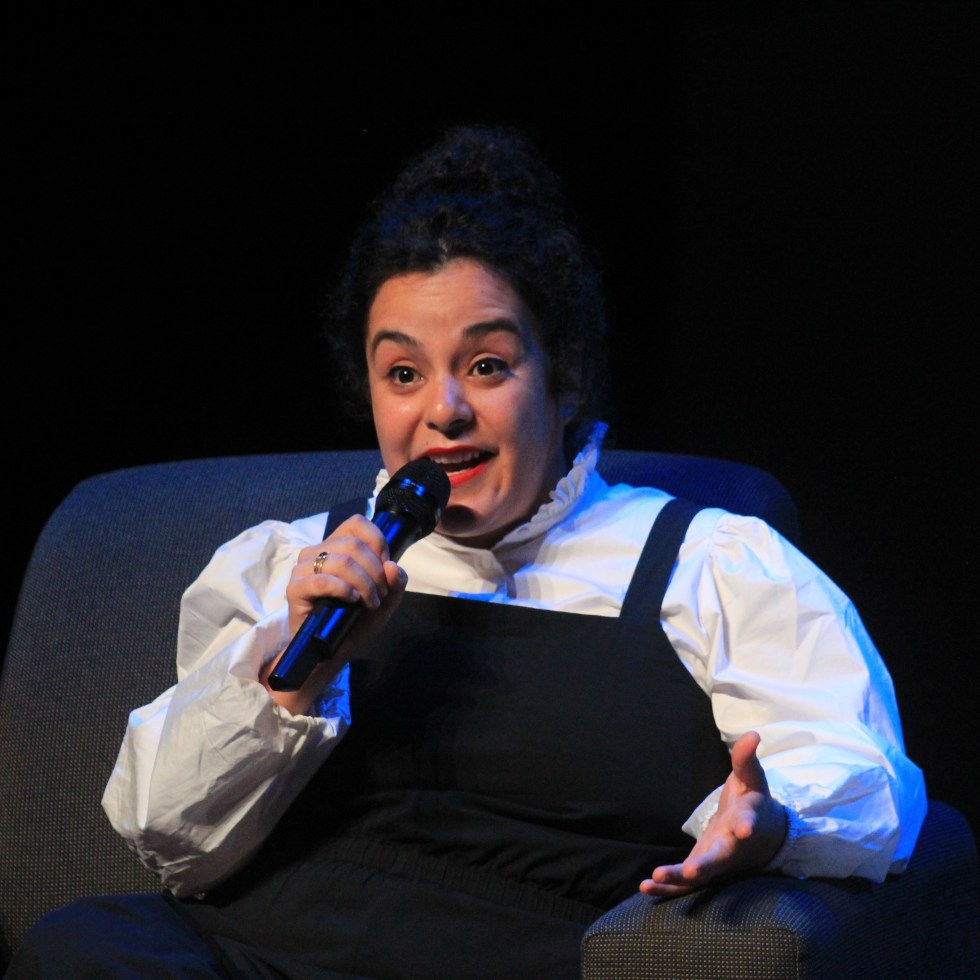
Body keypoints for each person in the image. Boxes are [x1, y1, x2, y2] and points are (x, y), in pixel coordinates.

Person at [8, 122, 926, 979]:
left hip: (524, 951)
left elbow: (855, 770)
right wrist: (292, 680)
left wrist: (771, 822)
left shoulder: (709, 562)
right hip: (261, 951)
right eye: (403, 372)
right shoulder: (293, 563)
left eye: (486, 365)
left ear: (565, 376)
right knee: (77, 947)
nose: (442, 410)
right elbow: (169, 840)